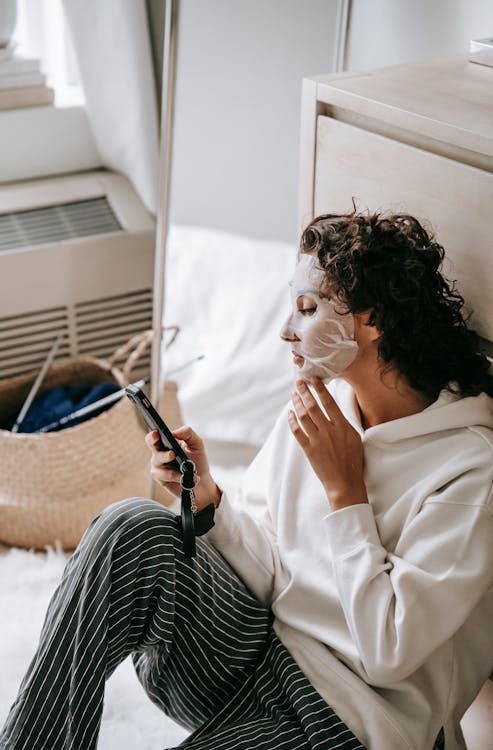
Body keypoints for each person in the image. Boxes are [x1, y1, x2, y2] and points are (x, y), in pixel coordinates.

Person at [1, 210, 492, 750]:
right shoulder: (320, 407)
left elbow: (388, 653)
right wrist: (210, 500)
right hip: (254, 652)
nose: (286, 331)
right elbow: (272, 572)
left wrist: (345, 490)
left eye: (307, 310)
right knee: (129, 527)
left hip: (350, 721)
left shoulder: (468, 470)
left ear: (370, 322)